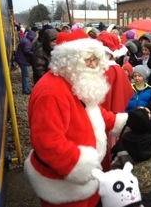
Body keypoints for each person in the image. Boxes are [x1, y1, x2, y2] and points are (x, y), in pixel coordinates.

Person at [23, 29, 128, 207]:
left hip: (87, 181)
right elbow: (48, 142)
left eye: (96, 58)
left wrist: (120, 123)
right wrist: (79, 166)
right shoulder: (51, 93)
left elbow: (91, 112)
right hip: (65, 186)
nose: (94, 65)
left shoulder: (73, 80)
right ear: (70, 61)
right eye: (88, 60)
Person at [97, 31, 134, 171]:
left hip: (99, 116)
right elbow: (127, 92)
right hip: (114, 118)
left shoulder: (98, 70)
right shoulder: (118, 70)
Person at [14, 29, 37, 94]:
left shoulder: (25, 40)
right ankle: (26, 90)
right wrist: (34, 53)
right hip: (23, 60)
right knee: (26, 75)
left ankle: (26, 88)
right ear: (32, 37)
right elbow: (27, 51)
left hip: (21, 59)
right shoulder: (28, 42)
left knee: (25, 75)